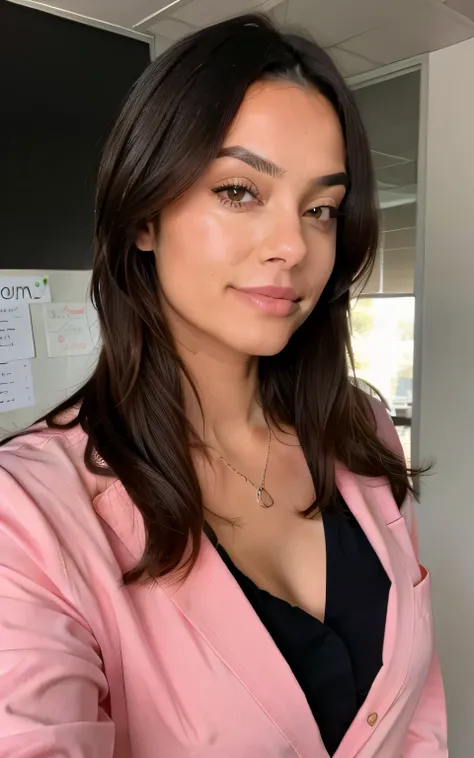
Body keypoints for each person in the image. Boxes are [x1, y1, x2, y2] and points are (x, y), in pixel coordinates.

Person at [0, 14, 447, 758]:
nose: (293, 246)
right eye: (240, 191)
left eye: (321, 208)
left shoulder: (359, 429)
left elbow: (415, 713)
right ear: (145, 214)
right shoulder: (30, 517)